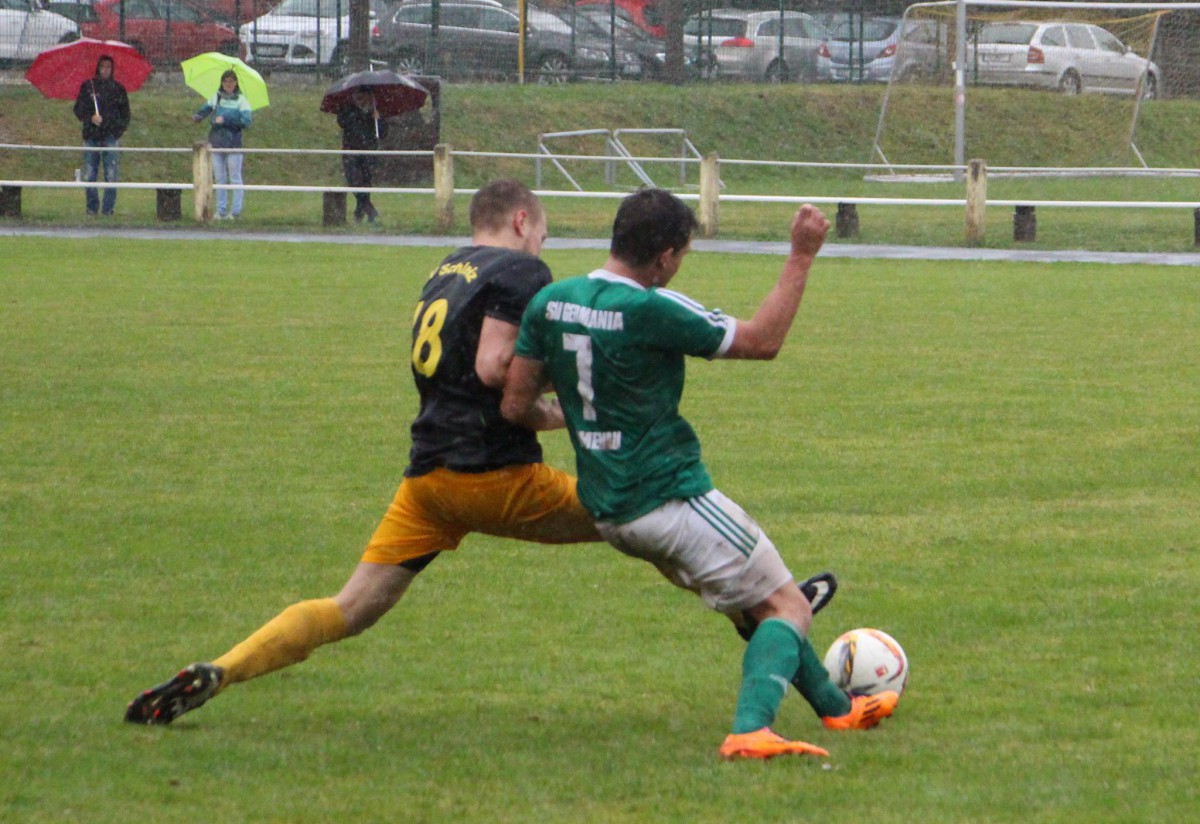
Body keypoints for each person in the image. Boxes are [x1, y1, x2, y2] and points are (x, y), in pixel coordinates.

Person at [124, 179, 604, 725]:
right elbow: (494, 369)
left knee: (348, 609)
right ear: (522, 221)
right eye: (542, 234)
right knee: (639, 512)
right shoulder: (522, 271)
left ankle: (223, 669)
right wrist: (576, 397)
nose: (542, 247)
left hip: (427, 482)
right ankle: (729, 604)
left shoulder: (447, 270)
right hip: (495, 475)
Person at [501, 190, 898, 760]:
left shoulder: (551, 302)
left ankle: (838, 709)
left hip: (611, 512)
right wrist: (802, 255)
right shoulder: (654, 309)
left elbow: (515, 407)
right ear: (663, 257)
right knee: (790, 607)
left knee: (758, 606)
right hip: (670, 498)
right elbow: (764, 340)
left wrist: (582, 416)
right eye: (682, 254)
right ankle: (750, 730)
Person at [73, 55, 130, 217]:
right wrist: (91, 117)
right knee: (90, 174)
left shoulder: (118, 89)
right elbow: (78, 109)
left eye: (108, 67)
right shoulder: (87, 87)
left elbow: (125, 115)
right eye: (102, 67)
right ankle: (92, 208)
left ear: (112, 69)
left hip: (110, 137)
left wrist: (115, 131)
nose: (105, 70)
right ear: (98, 68)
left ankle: (108, 209)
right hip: (91, 136)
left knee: (111, 175)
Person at [193, 69, 252, 220]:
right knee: (219, 178)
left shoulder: (241, 100)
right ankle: (221, 210)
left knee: (235, 177)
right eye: (225, 81)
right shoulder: (216, 97)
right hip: (217, 141)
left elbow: (246, 122)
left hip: (233, 143)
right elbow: (205, 110)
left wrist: (227, 121)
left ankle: (236, 211)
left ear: (236, 83)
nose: (228, 84)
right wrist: (198, 116)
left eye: (231, 81)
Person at [336, 86, 386, 223]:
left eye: (363, 96)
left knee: (365, 182)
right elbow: (342, 122)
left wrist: (378, 119)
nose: (359, 99)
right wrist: (353, 112)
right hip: (351, 150)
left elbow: (383, 133)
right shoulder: (348, 109)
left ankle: (359, 212)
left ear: (370, 96)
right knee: (354, 180)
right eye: (357, 96)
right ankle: (369, 209)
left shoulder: (374, 111)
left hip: (368, 152)